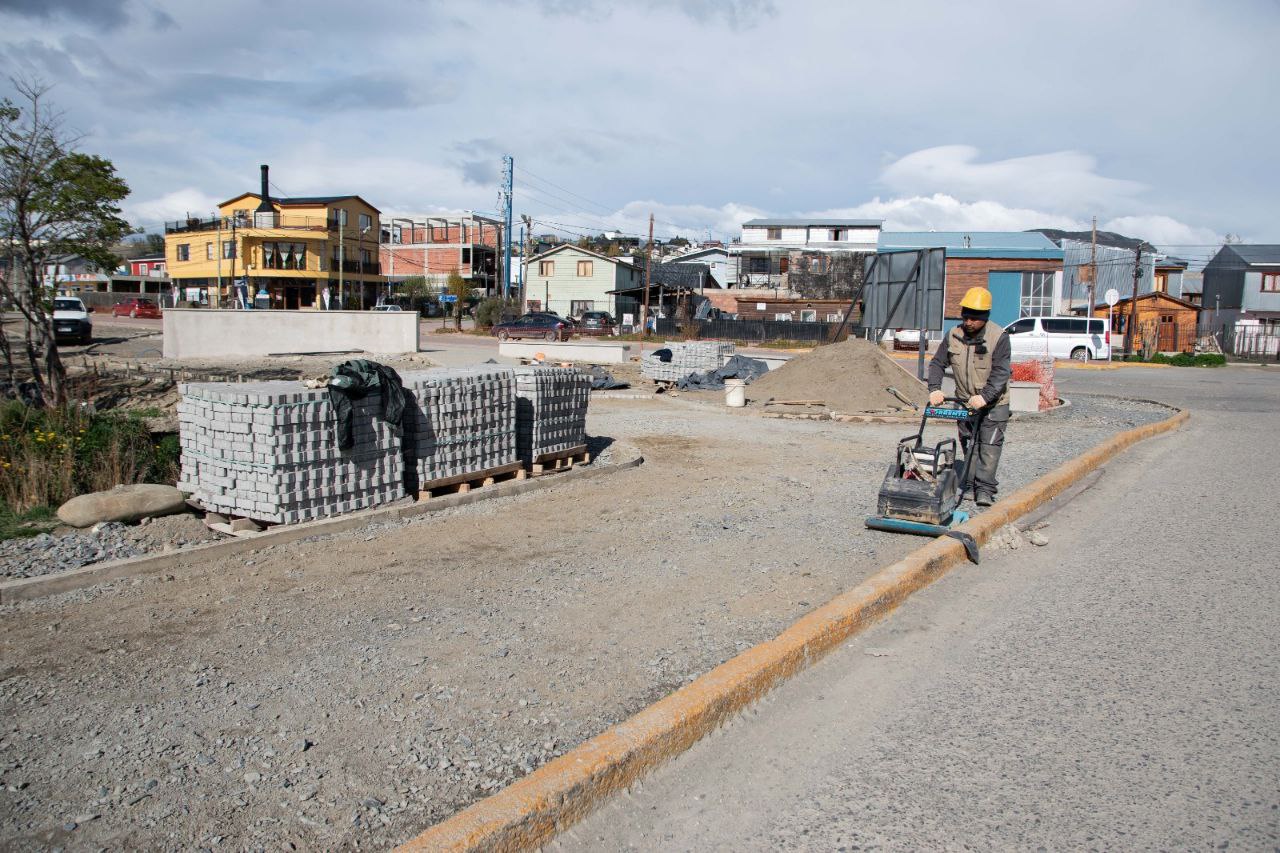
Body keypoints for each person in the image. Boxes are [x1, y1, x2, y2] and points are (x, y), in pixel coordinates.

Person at [926, 286, 1012, 507]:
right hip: (965, 401)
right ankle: (971, 485)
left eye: (975, 318)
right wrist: (935, 388)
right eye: (966, 316)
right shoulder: (954, 336)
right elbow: (937, 363)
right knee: (968, 444)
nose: (969, 322)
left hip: (994, 403)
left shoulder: (998, 337)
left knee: (989, 447)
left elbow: (1001, 372)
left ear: (985, 317)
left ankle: (985, 489)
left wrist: (985, 397)